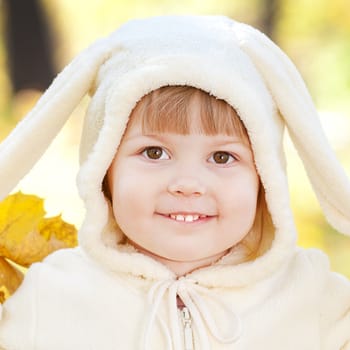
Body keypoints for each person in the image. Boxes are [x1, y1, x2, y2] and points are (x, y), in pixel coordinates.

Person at [0, 15, 349, 350]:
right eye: (154, 153)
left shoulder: (312, 296)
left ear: (264, 179)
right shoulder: (52, 297)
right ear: (104, 171)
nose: (187, 183)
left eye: (222, 157)